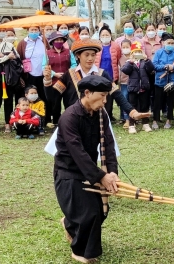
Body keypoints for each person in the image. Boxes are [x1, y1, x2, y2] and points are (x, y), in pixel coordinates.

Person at [54, 75, 120, 263]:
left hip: (89, 171)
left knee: (101, 211)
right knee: (89, 214)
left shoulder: (101, 113)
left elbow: (108, 143)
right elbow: (77, 152)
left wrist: (112, 172)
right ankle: (79, 250)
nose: (105, 101)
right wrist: (101, 177)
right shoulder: (69, 117)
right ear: (87, 93)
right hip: (68, 173)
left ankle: (69, 223)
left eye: (107, 96)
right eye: (102, 96)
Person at [45, 39, 149, 121]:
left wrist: (132, 112)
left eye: (93, 55)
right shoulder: (68, 75)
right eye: (86, 55)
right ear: (78, 56)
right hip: (74, 119)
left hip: (97, 119)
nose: (90, 58)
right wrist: (47, 80)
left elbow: (117, 94)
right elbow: (53, 97)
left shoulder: (102, 74)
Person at [43, 31, 77, 127]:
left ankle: (70, 121)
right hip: (55, 82)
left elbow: (74, 64)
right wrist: (55, 74)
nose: (59, 41)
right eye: (57, 40)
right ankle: (57, 122)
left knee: (69, 102)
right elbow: (44, 67)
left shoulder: (68, 52)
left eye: (61, 39)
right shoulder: (47, 53)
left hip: (67, 82)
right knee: (55, 103)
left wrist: (67, 73)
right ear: (52, 41)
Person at [17, 25, 49, 127]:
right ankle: (28, 118)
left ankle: (45, 119)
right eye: (32, 30)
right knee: (30, 97)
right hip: (29, 75)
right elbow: (19, 59)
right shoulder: (23, 43)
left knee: (44, 97)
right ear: (28, 31)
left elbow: (48, 54)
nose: (34, 32)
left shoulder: (43, 40)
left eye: (36, 30)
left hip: (43, 74)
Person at [121, 41, 155, 133]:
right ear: (132, 53)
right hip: (133, 88)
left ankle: (145, 123)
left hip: (144, 87)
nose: (138, 54)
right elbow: (125, 70)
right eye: (136, 52)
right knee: (132, 106)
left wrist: (147, 60)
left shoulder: (145, 61)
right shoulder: (129, 62)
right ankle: (132, 124)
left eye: (139, 52)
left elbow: (151, 69)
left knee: (145, 105)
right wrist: (131, 62)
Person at [152, 32, 174, 129]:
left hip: (173, 82)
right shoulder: (158, 53)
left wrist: (173, 67)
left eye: (172, 43)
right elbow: (155, 66)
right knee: (157, 101)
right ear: (163, 43)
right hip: (160, 81)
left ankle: (169, 120)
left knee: (171, 101)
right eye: (168, 43)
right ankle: (155, 120)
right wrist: (165, 67)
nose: (170, 45)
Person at [95, 25, 121, 121]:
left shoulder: (116, 46)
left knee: (110, 97)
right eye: (103, 35)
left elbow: (118, 58)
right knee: (100, 95)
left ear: (110, 35)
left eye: (107, 35)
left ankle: (109, 115)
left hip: (112, 75)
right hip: (99, 75)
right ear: (100, 36)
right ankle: (100, 114)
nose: (105, 36)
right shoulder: (96, 46)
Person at [118, 39, 131, 128]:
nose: (125, 49)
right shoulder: (120, 59)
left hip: (132, 83)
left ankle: (130, 118)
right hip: (123, 83)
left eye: (127, 47)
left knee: (131, 100)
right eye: (124, 47)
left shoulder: (134, 57)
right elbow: (119, 72)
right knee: (124, 99)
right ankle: (125, 118)